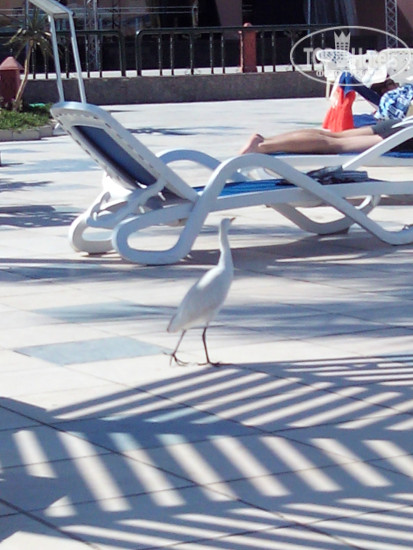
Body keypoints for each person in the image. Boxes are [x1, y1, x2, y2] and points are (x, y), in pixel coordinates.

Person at [240, 79, 406, 156]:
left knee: (335, 137)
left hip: (402, 125)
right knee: (335, 144)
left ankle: (264, 140)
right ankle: (262, 146)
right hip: (406, 135)